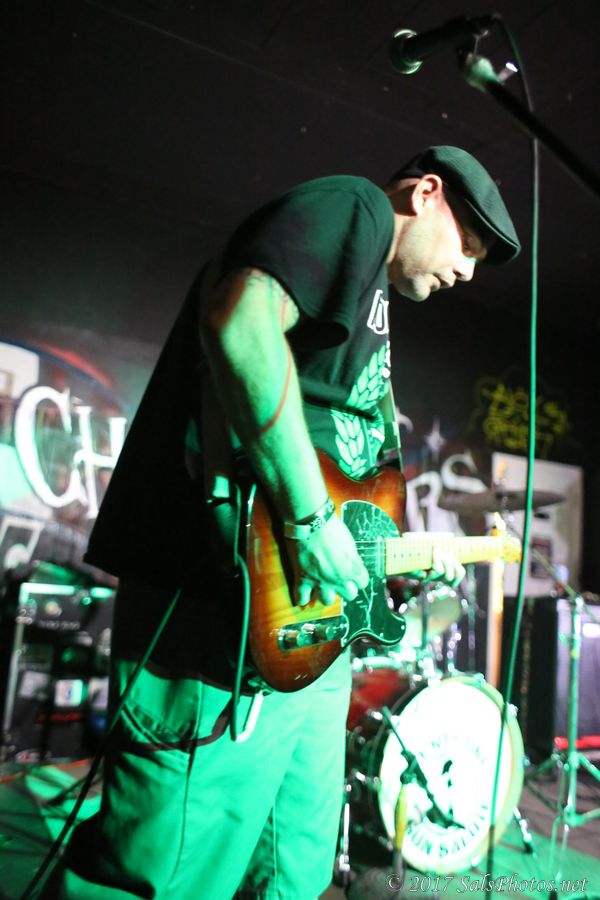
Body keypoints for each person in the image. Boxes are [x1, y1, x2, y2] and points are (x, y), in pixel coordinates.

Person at [40, 145, 520, 900]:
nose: (466, 270)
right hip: (221, 623)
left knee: (293, 871)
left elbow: (347, 468)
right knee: (171, 870)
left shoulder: (370, 305)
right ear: (426, 193)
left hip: (308, 645)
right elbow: (241, 322)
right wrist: (309, 519)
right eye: (469, 244)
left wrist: (387, 553)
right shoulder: (357, 207)